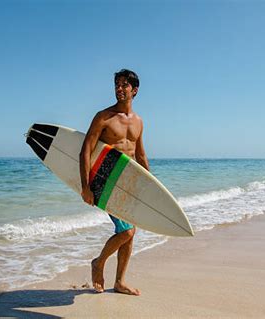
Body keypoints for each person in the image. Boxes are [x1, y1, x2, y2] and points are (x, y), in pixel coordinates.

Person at [79, 69, 148, 296]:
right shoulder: (103, 117)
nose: (119, 88)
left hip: (127, 181)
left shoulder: (138, 122)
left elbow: (140, 156)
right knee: (127, 232)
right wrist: (86, 186)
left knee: (130, 231)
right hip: (104, 177)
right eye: (117, 84)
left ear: (134, 90)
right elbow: (86, 150)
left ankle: (119, 282)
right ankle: (99, 263)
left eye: (124, 85)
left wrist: (150, 188)